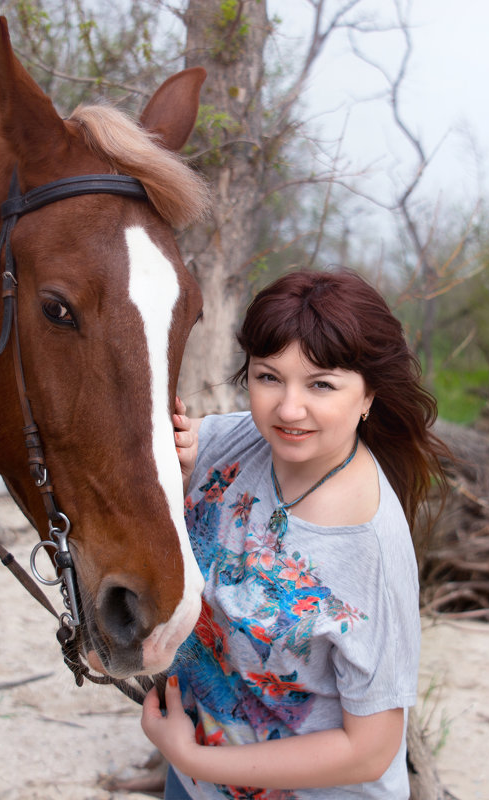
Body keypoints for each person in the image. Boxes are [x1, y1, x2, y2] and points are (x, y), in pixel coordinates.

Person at [140, 268, 450, 799]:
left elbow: (371, 748)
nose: (288, 409)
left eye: (321, 384)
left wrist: (192, 756)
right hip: (197, 781)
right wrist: (173, 477)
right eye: (268, 377)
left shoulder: (369, 548)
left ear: (369, 395)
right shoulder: (229, 444)